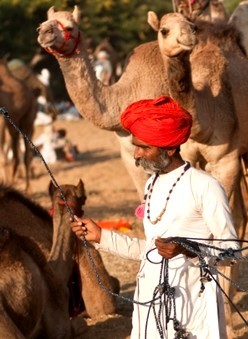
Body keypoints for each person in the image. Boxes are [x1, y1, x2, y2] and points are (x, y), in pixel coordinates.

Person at [71, 96, 238, 338]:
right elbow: (150, 251)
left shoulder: (205, 186)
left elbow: (231, 253)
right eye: (135, 146)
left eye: (143, 147)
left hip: (191, 306)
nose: (136, 154)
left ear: (169, 148)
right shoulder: (152, 184)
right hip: (150, 304)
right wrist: (101, 237)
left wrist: (187, 249)